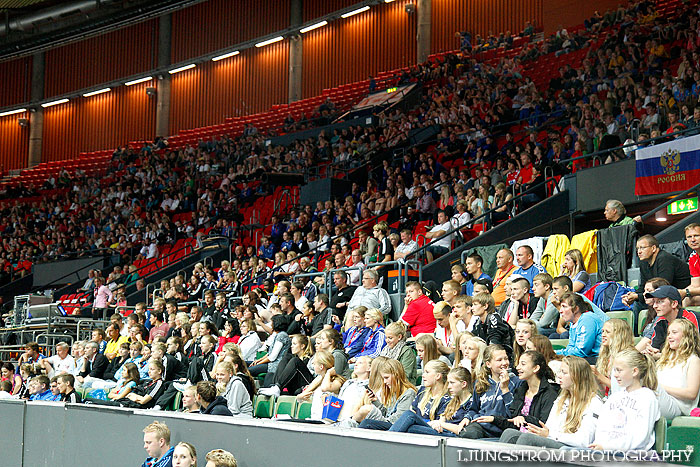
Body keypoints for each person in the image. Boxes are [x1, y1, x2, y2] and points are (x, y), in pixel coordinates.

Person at [504, 356, 603, 449]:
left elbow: (584, 441)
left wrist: (549, 435)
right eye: (560, 371)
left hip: (571, 450)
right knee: (510, 434)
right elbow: (549, 427)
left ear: (578, 377)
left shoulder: (594, 403)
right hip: (556, 441)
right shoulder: (562, 399)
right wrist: (541, 432)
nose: (559, 376)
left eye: (564, 373)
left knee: (528, 439)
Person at [590, 348, 660, 451]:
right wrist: (599, 445)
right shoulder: (614, 397)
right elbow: (602, 427)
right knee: (567, 452)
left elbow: (641, 437)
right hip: (606, 451)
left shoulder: (647, 397)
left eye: (619, 370)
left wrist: (607, 447)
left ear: (634, 371)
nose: (615, 375)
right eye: (614, 370)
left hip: (633, 456)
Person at [496, 350, 559, 443]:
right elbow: (514, 417)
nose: (517, 367)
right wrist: (494, 419)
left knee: (522, 437)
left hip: (538, 438)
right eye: (518, 364)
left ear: (536, 368)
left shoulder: (549, 393)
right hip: (520, 435)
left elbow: (543, 423)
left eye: (523, 364)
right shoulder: (522, 389)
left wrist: (524, 418)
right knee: (508, 432)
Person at [458, 344, 520, 439]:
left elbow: (514, 413)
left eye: (506, 359)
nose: (504, 363)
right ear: (488, 364)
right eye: (499, 360)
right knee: (467, 433)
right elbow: (474, 409)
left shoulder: (516, 382)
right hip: (482, 426)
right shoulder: (480, 383)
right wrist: (467, 417)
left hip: (504, 427)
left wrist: (505, 389)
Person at [622, 235, 691, 307]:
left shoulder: (664, 259)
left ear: (653, 248)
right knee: (637, 302)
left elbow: (663, 288)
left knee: (641, 302)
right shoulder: (644, 262)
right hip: (659, 296)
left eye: (642, 248)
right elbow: (643, 286)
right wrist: (631, 296)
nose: (639, 252)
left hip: (678, 297)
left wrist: (637, 296)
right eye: (637, 249)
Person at [385, 361, 452, 434]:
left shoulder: (447, 399)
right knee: (370, 423)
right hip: (415, 427)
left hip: (432, 432)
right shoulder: (422, 391)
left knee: (408, 417)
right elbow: (413, 411)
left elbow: (440, 424)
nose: (423, 375)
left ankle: (386, 439)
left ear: (438, 376)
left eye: (427, 372)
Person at [656, 319, 700, 419]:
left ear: (686, 336)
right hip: (660, 398)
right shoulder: (665, 358)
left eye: (674, 333)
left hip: (679, 407)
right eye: (668, 333)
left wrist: (661, 388)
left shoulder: (693, 360)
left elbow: (691, 394)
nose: (669, 337)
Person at [355, 359, 417, 429]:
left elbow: (397, 420)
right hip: (388, 423)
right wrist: (376, 401)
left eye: (387, 378)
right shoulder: (393, 391)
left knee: (366, 421)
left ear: (396, 375)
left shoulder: (409, 393)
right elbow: (387, 414)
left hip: (396, 427)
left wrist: (375, 417)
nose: (384, 382)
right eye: (383, 378)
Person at [643, 285, 700, 357]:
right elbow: (655, 347)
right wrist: (651, 351)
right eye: (654, 302)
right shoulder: (660, 321)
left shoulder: (689, 319)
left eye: (660, 301)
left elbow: (692, 352)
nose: (655, 306)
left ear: (674, 304)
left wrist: (660, 356)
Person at [555, 293, 603, 362]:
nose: (560, 311)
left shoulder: (587, 319)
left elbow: (582, 351)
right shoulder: (573, 322)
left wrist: (556, 353)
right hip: (586, 357)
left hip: (598, 359)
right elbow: (571, 346)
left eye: (564, 306)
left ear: (576, 309)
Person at [592, 318, 634, 395]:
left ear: (619, 335)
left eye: (607, 332)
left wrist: (599, 376)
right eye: (603, 331)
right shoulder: (607, 357)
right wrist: (596, 378)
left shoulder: (628, 357)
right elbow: (605, 391)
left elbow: (621, 388)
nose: (603, 335)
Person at [470, 292, 514, 359]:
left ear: (485, 306)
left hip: (504, 357)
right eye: (472, 305)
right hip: (488, 355)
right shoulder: (478, 322)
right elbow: (473, 338)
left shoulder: (495, 319)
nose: (472, 308)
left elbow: (494, 342)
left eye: (475, 305)